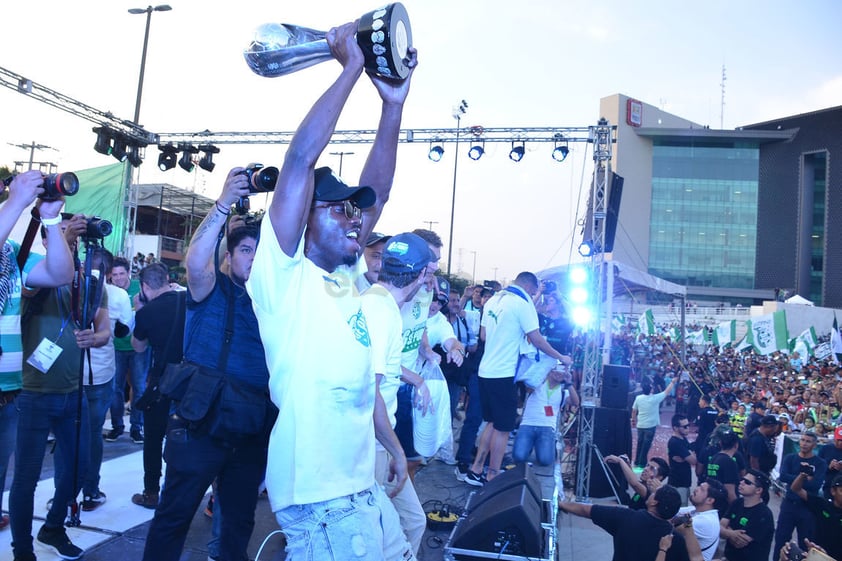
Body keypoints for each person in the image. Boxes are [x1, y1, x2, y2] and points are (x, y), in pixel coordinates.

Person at [245, 21, 418, 561]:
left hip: (357, 482)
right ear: (302, 217)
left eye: (353, 211)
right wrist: (350, 68)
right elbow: (299, 161)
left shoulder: (346, 276)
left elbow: (380, 191)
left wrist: (392, 104)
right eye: (337, 208)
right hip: (319, 493)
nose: (352, 219)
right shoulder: (282, 275)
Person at [141, 170, 276, 561]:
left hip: (250, 429)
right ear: (230, 257)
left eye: (259, 251)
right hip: (200, 425)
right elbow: (196, 261)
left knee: (238, 524)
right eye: (246, 250)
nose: (252, 257)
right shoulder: (210, 290)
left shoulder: (276, 306)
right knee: (173, 517)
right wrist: (222, 205)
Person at [11, 212, 109, 561]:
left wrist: (93, 338)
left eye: (74, 240)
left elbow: (104, 330)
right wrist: (61, 230)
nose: (72, 243)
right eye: (65, 239)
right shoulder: (33, 273)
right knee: (26, 476)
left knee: (81, 466)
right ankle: (22, 549)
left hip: (73, 392)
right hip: (34, 391)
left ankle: (53, 528)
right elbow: (44, 277)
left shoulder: (87, 281)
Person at [0, 172, 77, 547]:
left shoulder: (12, 253)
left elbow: (62, 273)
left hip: (9, 391)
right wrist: (16, 201)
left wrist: (49, 220)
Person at [362, 232, 432, 557]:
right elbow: (369, 392)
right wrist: (398, 453)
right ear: (419, 275)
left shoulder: (384, 306)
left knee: (415, 522)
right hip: (372, 446)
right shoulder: (380, 310)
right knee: (377, 539)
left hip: (382, 442)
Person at [466, 272, 570, 485]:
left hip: (486, 370)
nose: (534, 294)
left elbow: (484, 335)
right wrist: (560, 356)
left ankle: (476, 469)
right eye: (534, 291)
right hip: (503, 373)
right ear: (529, 287)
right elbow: (537, 339)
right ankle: (493, 474)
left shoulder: (494, 299)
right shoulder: (522, 304)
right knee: (503, 428)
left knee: (492, 423)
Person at [79, 248, 132, 512]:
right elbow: (125, 328)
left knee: (70, 436)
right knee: (93, 433)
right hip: (100, 374)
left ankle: (65, 493)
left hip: (69, 374)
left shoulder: (71, 285)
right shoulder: (120, 295)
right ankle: (90, 492)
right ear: (111, 272)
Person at [130, 263, 186, 509]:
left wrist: (138, 310)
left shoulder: (146, 312)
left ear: (144, 287)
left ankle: (151, 491)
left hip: (161, 381)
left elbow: (138, 347)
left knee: (153, 439)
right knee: (186, 437)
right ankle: (180, 492)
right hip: (190, 380)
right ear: (167, 279)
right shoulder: (188, 301)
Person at [558, 484, 690, 561]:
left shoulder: (625, 517)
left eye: (653, 494)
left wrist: (562, 504)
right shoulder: (676, 540)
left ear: (654, 502)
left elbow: (586, 510)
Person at [106, 255, 147, 443]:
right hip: (116, 347)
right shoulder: (107, 291)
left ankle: (136, 428)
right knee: (115, 389)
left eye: (122, 273)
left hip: (139, 346)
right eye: (115, 275)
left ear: (128, 273)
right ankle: (117, 427)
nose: (119, 278)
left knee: (139, 387)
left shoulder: (140, 287)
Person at [773, 431, 828, 561]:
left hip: (807, 507)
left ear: (814, 445)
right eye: (802, 440)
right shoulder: (790, 458)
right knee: (781, 539)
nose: (804, 443)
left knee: (806, 543)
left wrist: (799, 481)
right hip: (789, 504)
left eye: (808, 441)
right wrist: (803, 478)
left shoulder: (820, 463)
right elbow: (783, 476)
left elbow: (816, 484)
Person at [512, 365, 578, 466]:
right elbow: (528, 388)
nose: (559, 373)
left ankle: (541, 446)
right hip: (527, 425)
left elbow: (576, 402)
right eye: (557, 369)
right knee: (519, 457)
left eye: (562, 371)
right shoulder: (538, 383)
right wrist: (545, 372)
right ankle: (528, 446)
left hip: (547, 427)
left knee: (545, 461)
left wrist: (569, 382)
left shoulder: (563, 391)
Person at [719, 469, 775, 561]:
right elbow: (719, 527)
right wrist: (732, 533)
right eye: (742, 479)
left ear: (759, 490)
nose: (741, 482)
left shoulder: (764, 514)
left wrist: (727, 530)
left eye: (747, 482)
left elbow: (740, 542)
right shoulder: (737, 503)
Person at [790, 471, 842, 560]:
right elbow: (796, 489)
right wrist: (802, 475)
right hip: (817, 555)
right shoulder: (822, 505)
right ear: (833, 491)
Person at [675, 480, 728, 561]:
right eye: (699, 486)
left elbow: (675, 527)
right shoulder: (695, 510)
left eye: (702, 489)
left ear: (710, 500)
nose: (696, 489)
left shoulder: (707, 521)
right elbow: (673, 511)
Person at [632, 376, 678, 467]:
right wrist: (672, 382)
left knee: (640, 444)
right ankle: (642, 463)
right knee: (646, 446)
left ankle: (637, 461)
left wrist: (633, 420)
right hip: (650, 426)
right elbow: (666, 392)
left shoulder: (638, 398)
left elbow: (634, 410)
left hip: (640, 425)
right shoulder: (655, 398)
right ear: (651, 390)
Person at [605, 455, 670, 510]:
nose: (646, 469)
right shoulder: (644, 485)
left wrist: (620, 461)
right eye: (647, 465)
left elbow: (634, 483)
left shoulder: (652, 492)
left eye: (652, 468)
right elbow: (635, 480)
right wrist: (628, 465)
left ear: (660, 477)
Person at [705, 429, 741, 504]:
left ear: (720, 443)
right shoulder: (729, 462)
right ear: (736, 445)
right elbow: (730, 492)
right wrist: (737, 509)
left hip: (713, 502)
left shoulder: (714, 458)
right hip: (724, 505)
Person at [668, 413, 697, 505]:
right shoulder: (675, 442)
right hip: (678, 482)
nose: (687, 428)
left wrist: (687, 456)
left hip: (684, 481)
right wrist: (690, 454)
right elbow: (693, 461)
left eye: (688, 426)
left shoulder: (683, 439)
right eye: (684, 427)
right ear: (676, 428)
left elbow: (692, 455)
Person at [818, 425, 842, 497]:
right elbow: (817, 467)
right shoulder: (826, 449)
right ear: (834, 438)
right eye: (839, 440)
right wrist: (829, 467)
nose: (840, 443)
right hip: (828, 484)